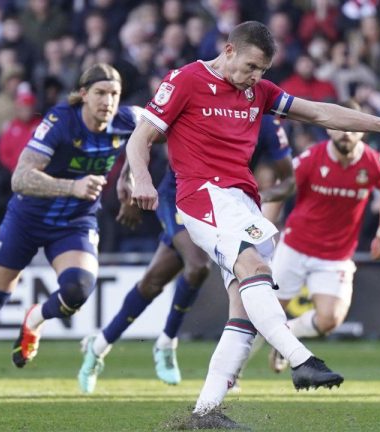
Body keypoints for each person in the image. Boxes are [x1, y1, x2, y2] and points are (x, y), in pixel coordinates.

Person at [126, 21, 380, 428]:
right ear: (229, 50)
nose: (255, 77)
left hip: (244, 202)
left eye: (262, 71)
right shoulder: (185, 80)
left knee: (243, 310)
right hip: (203, 196)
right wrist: (140, 178)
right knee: (256, 269)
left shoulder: (258, 92)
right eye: (250, 67)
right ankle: (300, 359)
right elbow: (140, 137)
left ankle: (205, 415)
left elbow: (320, 112)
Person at [0, 64, 136, 401]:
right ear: (82, 95)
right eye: (100, 93)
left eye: (114, 94)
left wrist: (131, 174)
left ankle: (34, 319)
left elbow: (154, 136)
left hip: (73, 224)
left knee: (78, 289)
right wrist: (72, 186)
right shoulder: (60, 122)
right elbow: (20, 177)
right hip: (27, 220)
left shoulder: (128, 121)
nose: (107, 101)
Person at [76, 115, 294, 393]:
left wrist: (257, 200)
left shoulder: (265, 122)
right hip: (178, 195)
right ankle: (168, 342)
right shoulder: (199, 97)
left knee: (153, 281)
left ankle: (97, 347)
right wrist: (128, 178)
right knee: (198, 265)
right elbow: (145, 134)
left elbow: (289, 180)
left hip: (227, 208)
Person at [265, 100, 380, 373]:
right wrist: (265, 230)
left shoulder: (376, 164)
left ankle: (287, 336)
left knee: (330, 319)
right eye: (340, 127)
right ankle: (232, 374)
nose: (346, 133)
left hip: (336, 255)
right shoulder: (310, 159)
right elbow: (280, 191)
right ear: (328, 129)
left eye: (352, 128)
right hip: (295, 247)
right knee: (264, 314)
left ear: (362, 131)